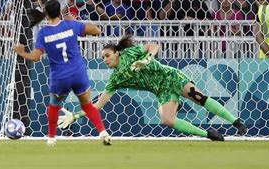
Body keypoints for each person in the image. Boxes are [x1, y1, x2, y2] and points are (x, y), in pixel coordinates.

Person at [58, 36, 248, 141]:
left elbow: (154, 46)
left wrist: (147, 59)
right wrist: (75, 115)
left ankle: (236, 122)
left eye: (107, 55)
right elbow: (97, 106)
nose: (105, 60)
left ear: (117, 53)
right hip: (161, 91)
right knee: (167, 120)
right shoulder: (115, 80)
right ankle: (209, 135)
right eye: (103, 58)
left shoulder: (130, 53)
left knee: (198, 97)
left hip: (171, 77)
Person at [13, 0, 111, 147]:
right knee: (87, 105)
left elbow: (35, 58)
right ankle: (103, 132)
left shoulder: (44, 33)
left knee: (54, 105)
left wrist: (21, 53)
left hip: (60, 77)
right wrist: (76, 22)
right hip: (78, 73)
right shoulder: (70, 25)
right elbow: (97, 30)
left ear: (46, 14)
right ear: (60, 12)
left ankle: (51, 138)